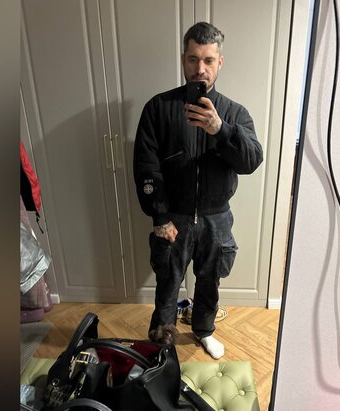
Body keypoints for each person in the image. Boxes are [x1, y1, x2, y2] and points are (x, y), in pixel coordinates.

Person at [133, 22, 263, 359]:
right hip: (173, 216)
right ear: (183, 59)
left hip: (216, 218)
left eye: (208, 60)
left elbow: (251, 160)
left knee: (209, 281)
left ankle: (203, 330)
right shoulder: (158, 108)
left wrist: (221, 130)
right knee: (168, 281)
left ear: (220, 62)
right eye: (193, 59)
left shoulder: (235, 113)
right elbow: (146, 166)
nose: (200, 69)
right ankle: (161, 337)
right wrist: (159, 216)